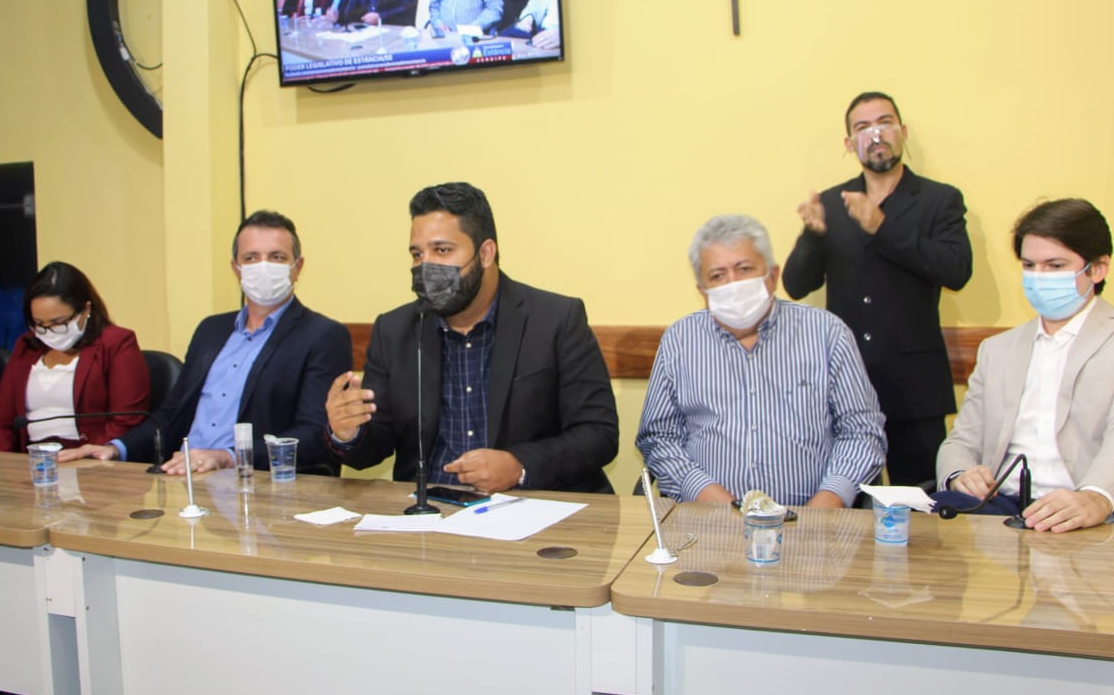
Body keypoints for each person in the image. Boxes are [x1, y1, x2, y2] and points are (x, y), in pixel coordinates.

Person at [325, 182, 618, 493]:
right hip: (429, 509)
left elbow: (598, 433)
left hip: (534, 505)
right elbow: (374, 448)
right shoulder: (394, 331)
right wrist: (347, 432)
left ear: (486, 253)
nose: (426, 267)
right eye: (417, 254)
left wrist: (519, 466)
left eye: (442, 250)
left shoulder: (556, 319)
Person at [60, 211, 351, 476]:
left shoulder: (322, 335)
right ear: (236, 268)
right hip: (183, 479)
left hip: (256, 484)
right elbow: (171, 415)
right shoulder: (211, 330)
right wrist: (115, 448)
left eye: (276, 257)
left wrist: (228, 457)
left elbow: (315, 434)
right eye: (251, 258)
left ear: (297, 267)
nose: (263, 267)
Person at [782, 91, 972, 486]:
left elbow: (956, 271)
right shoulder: (832, 202)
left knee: (919, 503)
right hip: (845, 382)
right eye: (863, 127)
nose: (875, 135)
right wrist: (813, 236)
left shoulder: (940, 199)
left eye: (885, 123)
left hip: (915, 386)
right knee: (848, 499)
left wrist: (882, 227)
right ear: (849, 143)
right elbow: (796, 286)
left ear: (902, 132)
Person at [637, 215, 886, 508]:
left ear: (772, 275)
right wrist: (707, 495)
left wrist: (828, 502)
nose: (732, 284)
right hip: (709, 520)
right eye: (717, 276)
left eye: (744, 269)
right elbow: (659, 437)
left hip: (815, 520)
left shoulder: (827, 333)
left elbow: (861, 431)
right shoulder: (680, 340)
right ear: (702, 291)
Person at [934, 199, 1114, 532]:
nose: (1038, 277)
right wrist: (960, 474)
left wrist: (1096, 497)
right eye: (1029, 265)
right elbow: (961, 441)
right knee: (929, 518)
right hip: (1003, 505)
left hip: (1088, 507)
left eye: (1055, 265)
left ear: (1098, 269)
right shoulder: (997, 350)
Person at [0, 261, 149, 453]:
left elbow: (127, 421)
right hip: (33, 460)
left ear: (86, 310)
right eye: (39, 324)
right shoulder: (26, 347)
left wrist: (89, 454)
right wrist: (4, 465)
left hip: (91, 457)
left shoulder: (116, 344)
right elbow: (1, 423)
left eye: (58, 323)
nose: (49, 331)